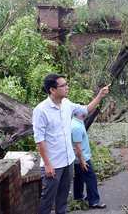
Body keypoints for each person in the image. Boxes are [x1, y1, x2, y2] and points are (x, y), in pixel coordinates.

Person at [32, 73, 110, 214]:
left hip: (67, 161)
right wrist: (47, 163)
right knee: (48, 199)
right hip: (53, 164)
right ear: (53, 89)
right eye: (64, 85)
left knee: (63, 198)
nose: (67, 87)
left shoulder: (67, 104)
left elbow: (86, 109)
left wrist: (99, 96)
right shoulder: (41, 110)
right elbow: (39, 139)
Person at [71, 102, 106, 209]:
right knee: (91, 178)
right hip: (82, 158)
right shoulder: (77, 126)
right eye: (84, 108)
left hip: (78, 158)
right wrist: (82, 161)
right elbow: (77, 146)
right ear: (79, 111)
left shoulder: (76, 121)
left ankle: (78, 196)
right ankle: (93, 202)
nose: (86, 110)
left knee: (79, 177)